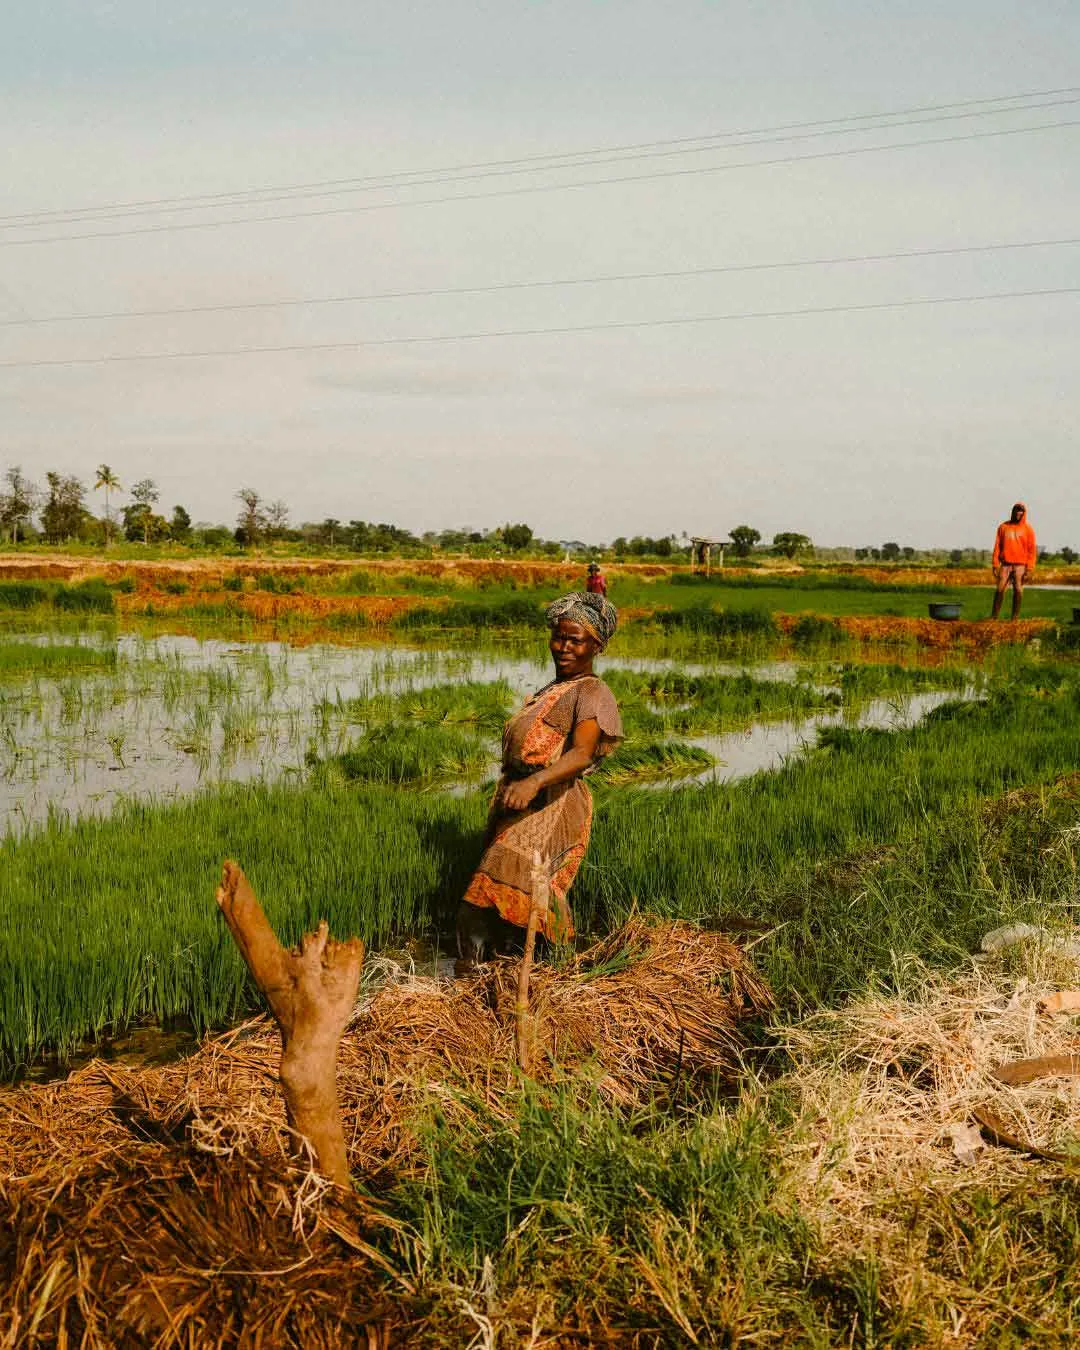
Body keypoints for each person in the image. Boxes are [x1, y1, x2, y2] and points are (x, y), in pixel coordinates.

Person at [456, 592, 622, 971]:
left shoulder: (592, 692)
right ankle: (516, 981)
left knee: (484, 902)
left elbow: (582, 753)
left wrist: (534, 784)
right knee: (510, 904)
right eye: (559, 637)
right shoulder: (554, 688)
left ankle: (497, 983)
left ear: (595, 645)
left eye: (575, 640)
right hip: (521, 801)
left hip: (553, 803)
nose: (563, 647)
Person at [991, 502, 1037, 620]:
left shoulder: (1028, 529)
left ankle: (1014, 618)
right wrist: (995, 564)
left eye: (1021, 511)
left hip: (1020, 565)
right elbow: (997, 546)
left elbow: (1032, 551)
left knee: (1018, 590)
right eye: (1017, 510)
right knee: (1000, 589)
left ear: (1024, 513)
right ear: (1013, 511)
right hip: (1005, 564)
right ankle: (994, 617)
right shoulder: (1003, 527)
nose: (1019, 513)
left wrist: (1029, 569)